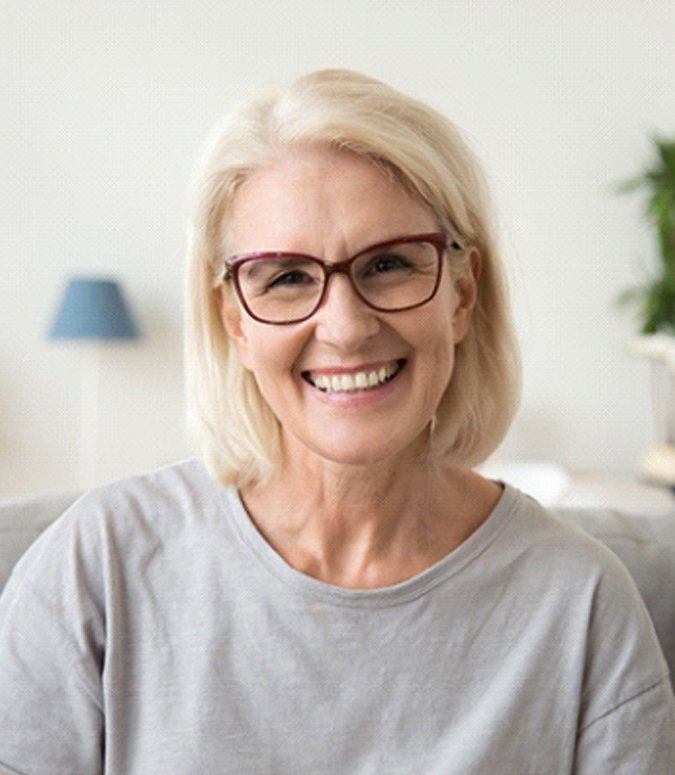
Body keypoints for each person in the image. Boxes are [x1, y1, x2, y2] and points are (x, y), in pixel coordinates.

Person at [0, 69, 673, 774]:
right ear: (235, 320)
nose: (346, 328)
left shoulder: (581, 603)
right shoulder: (98, 566)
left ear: (461, 293)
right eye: (286, 277)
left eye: (388, 264)